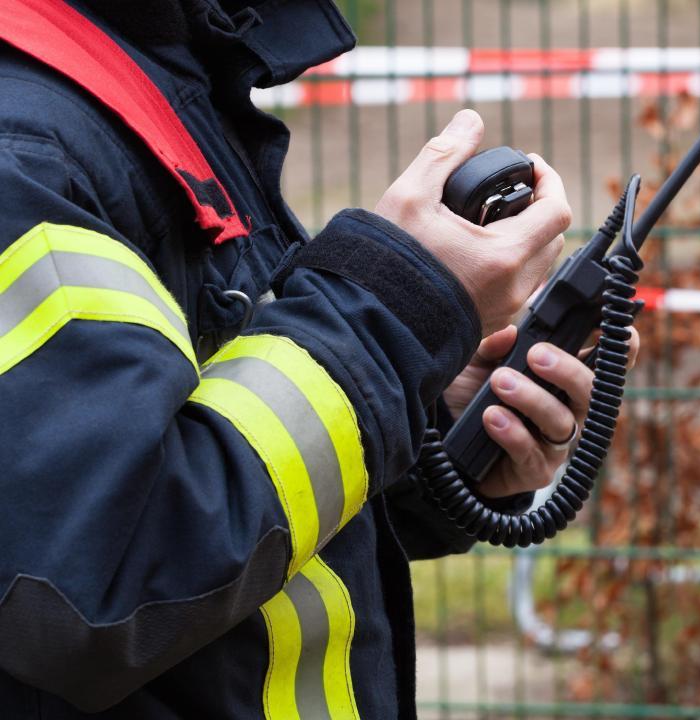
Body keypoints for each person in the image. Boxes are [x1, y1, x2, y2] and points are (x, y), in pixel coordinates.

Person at [0, 0, 639, 718]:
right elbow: (98, 580)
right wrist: (394, 314)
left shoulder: (135, 84)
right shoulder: (24, 148)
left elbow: (217, 444)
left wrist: (433, 425)